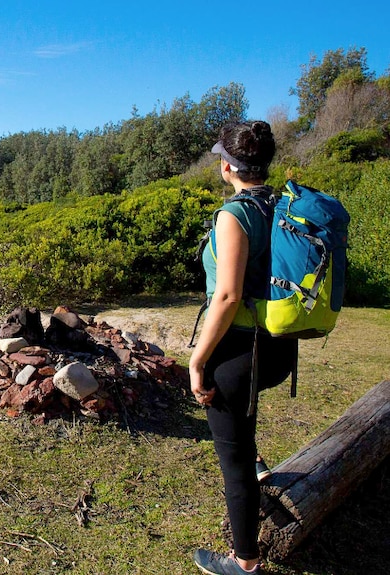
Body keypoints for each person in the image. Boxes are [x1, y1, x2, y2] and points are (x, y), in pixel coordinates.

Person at [189, 121, 297, 575]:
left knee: (231, 461)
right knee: (241, 433)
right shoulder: (283, 205)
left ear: (228, 166)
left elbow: (228, 296)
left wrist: (196, 360)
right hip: (279, 347)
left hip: (240, 353)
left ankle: (245, 561)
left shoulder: (235, 215)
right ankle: (256, 461)